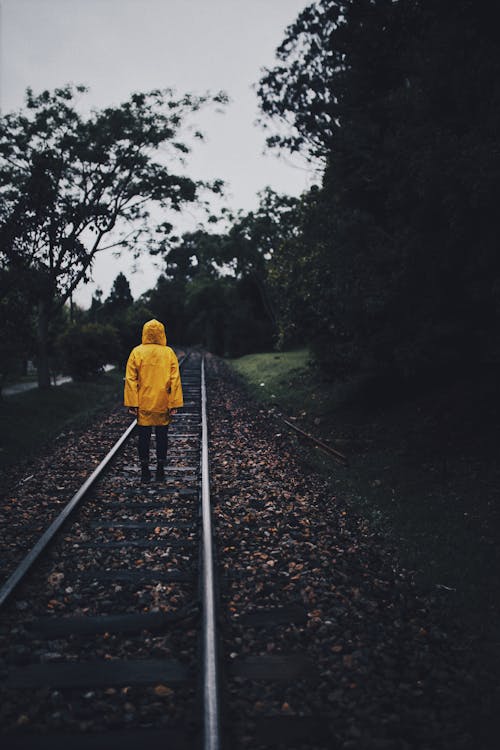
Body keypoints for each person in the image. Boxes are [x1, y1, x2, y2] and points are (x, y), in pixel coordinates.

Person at [124, 319, 183, 482]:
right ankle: (160, 470)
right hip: (163, 403)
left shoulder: (136, 352)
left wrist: (132, 403)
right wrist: (174, 403)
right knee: (162, 436)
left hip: (143, 403)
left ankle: (144, 472)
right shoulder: (169, 353)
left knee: (144, 437)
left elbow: (131, 379)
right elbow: (175, 379)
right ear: (162, 333)